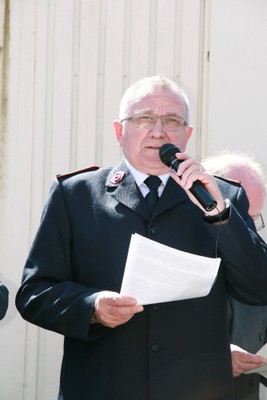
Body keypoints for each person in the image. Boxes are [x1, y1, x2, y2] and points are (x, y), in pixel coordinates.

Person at [16, 75, 267, 400]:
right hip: (103, 388)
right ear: (120, 131)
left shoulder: (222, 195)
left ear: (187, 135)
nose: (158, 131)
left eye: (172, 120)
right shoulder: (75, 195)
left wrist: (220, 215)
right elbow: (34, 293)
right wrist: (91, 308)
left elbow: (258, 287)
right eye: (145, 117)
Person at [202, 151, 267, 400]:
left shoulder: (259, 264)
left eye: (253, 218)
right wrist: (213, 359)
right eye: (240, 216)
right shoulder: (172, 253)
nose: (247, 230)